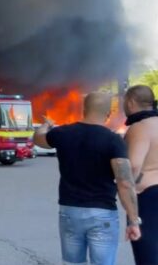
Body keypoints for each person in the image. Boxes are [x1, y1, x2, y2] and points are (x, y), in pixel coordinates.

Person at [34, 92, 141, 265]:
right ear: (109, 113)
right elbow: (125, 182)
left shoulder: (63, 133)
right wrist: (134, 220)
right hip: (102, 214)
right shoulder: (113, 140)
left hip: (69, 212)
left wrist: (46, 125)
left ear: (84, 109)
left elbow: (38, 139)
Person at [123, 84, 158, 264]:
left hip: (149, 197)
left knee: (148, 254)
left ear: (130, 103)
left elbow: (134, 165)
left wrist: (130, 188)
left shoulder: (140, 128)